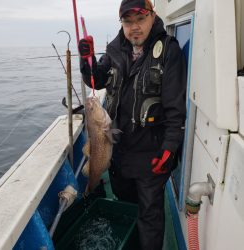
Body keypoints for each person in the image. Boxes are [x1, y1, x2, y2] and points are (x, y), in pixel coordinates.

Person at [78, 0, 187, 249]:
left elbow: (175, 111)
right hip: (119, 152)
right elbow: (98, 79)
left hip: (151, 155)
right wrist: (87, 62)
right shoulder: (115, 48)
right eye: (128, 21)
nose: (134, 27)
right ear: (122, 24)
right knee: (127, 206)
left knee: (150, 217)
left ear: (152, 16)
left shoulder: (169, 50)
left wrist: (169, 149)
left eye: (140, 19)